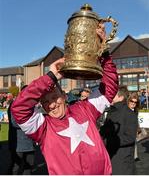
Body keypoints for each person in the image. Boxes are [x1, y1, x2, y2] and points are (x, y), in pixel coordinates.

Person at [11, 24, 118, 175]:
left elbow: (109, 88)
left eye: (55, 97)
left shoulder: (84, 109)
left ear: (64, 96)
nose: (52, 105)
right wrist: (51, 77)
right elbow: (19, 108)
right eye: (46, 102)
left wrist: (104, 52)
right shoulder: (43, 127)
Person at [100, 86, 138, 174]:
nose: (110, 96)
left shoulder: (129, 114)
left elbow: (130, 138)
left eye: (114, 94)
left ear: (121, 97)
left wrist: (108, 141)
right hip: (109, 157)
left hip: (122, 161)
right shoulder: (110, 111)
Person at [8, 85, 35, 175]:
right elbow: (14, 123)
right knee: (16, 167)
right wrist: (32, 122)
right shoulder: (15, 104)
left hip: (30, 143)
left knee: (29, 167)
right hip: (18, 143)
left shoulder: (32, 104)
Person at [127, 92, 140, 162]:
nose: (133, 103)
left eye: (135, 102)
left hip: (133, 129)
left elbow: (136, 120)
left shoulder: (135, 110)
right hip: (126, 130)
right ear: (128, 101)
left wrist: (138, 128)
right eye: (132, 101)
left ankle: (135, 156)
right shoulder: (125, 110)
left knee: (134, 142)